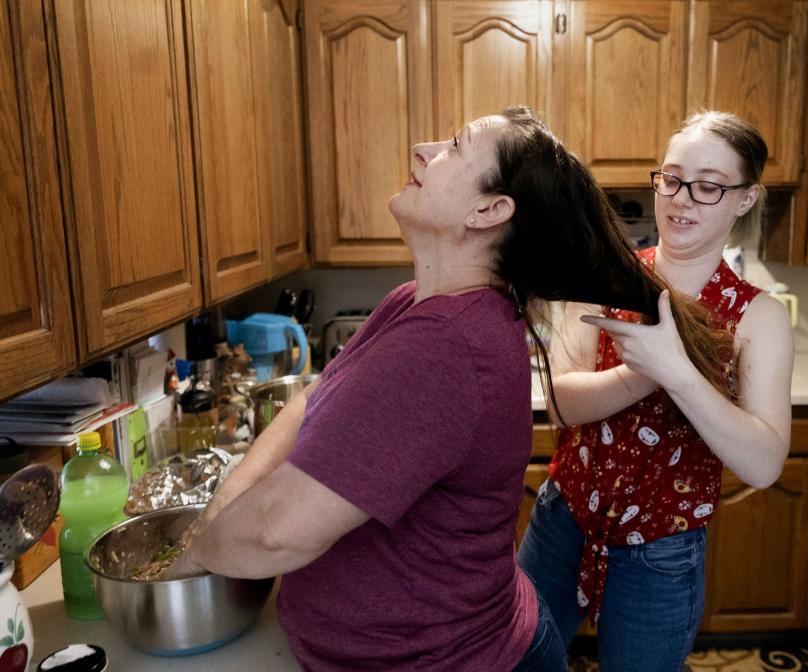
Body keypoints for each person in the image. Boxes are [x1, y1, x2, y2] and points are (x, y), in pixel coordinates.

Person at [166, 107, 727, 671]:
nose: (422, 149)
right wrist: (216, 517)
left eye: (454, 146)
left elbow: (274, 535)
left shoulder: (445, 349)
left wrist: (188, 558)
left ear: (489, 211)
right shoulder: (412, 302)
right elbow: (311, 401)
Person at [516, 111, 795, 672]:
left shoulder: (757, 318)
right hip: (563, 517)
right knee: (513, 661)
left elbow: (763, 464)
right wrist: (641, 372)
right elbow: (562, 403)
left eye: (708, 186)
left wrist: (679, 372)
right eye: (670, 178)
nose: (682, 199)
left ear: (744, 199)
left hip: (662, 551)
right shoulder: (604, 274)